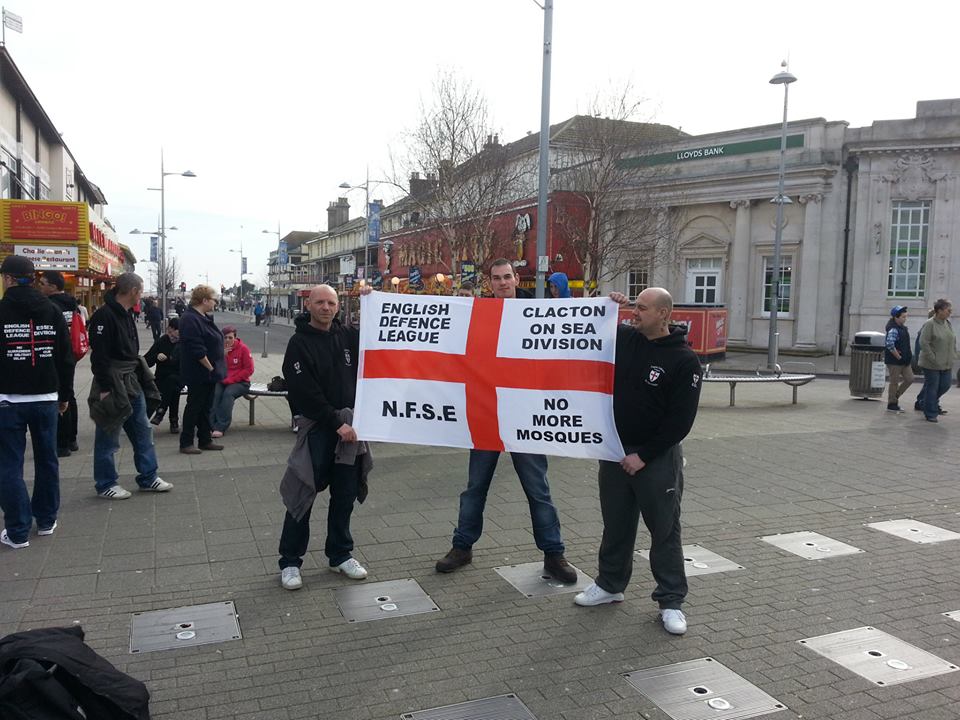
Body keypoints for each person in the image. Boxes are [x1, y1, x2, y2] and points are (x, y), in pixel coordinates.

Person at [435, 258, 577, 583]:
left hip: (525, 415)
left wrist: (613, 306)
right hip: (487, 414)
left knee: (538, 490)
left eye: (507, 277)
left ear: (516, 279)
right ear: (490, 282)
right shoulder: (479, 314)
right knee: (475, 488)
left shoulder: (538, 312)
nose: (502, 283)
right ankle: (462, 547)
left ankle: (554, 554)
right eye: (496, 278)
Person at [574, 287, 702, 637]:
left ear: (663, 314)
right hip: (615, 451)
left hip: (655, 458)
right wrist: (605, 305)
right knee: (615, 523)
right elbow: (582, 327)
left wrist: (643, 456)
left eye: (642, 308)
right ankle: (610, 584)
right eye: (635, 307)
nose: (636, 313)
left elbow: (680, 422)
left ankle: (671, 601)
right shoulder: (627, 340)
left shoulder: (684, 360)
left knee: (664, 529)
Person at [277, 284, 370, 590]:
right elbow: (305, 392)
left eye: (331, 302)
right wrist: (334, 422)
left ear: (338, 306)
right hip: (320, 430)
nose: (326, 308)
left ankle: (340, 554)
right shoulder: (298, 343)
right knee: (303, 494)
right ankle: (290, 561)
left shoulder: (347, 337)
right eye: (320, 302)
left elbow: (379, 342)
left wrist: (371, 300)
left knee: (344, 496)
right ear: (309, 304)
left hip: (350, 430)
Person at [0, 256, 74, 548]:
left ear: (7, 278)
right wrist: (65, 395)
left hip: (8, 399)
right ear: (32, 278)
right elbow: (65, 358)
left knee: (9, 464)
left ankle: (17, 532)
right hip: (46, 397)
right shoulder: (52, 310)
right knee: (47, 459)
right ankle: (45, 520)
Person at [88, 272, 172, 499]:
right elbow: (99, 356)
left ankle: (148, 476)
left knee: (143, 429)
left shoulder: (125, 314)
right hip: (113, 382)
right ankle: (106, 483)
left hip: (131, 380)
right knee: (109, 432)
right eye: (141, 291)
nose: (142, 296)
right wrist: (105, 387)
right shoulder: (104, 316)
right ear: (133, 291)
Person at [36, 270, 81, 457]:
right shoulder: (73, 305)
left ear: (53, 286)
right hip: (71, 351)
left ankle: (61, 443)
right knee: (69, 394)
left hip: (54, 354)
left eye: (42, 283)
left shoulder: (49, 306)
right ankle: (72, 438)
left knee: (58, 397)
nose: (39, 286)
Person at [178, 285, 226, 454]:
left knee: (206, 406)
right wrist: (210, 367)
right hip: (199, 372)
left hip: (209, 373)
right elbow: (196, 348)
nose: (216, 302)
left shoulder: (203, 316)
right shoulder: (190, 319)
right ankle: (186, 442)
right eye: (214, 299)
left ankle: (205, 439)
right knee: (194, 406)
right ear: (204, 300)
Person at [915, 298, 956, 423]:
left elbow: (951, 341)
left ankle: (925, 402)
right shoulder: (930, 324)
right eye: (947, 310)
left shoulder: (947, 323)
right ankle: (931, 413)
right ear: (939, 311)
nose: (950, 312)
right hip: (931, 364)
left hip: (946, 362)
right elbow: (923, 342)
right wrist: (932, 357)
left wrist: (954, 354)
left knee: (945, 385)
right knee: (932, 387)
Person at [211, 325, 254, 437]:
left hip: (240, 382)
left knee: (228, 394)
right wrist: (221, 355)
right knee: (215, 394)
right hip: (223, 380)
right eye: (225, 338)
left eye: (230, 338)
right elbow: (213, 366)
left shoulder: (243, 349)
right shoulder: (219, 349)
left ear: (235, 337)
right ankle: (210, 424)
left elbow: (249, 369)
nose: (228, 340)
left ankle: (221, 426)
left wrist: (232, 379)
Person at [144, 317, 183, 434]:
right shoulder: (162, 341)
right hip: (162, 377)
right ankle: (173, 420)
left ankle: (161, 412)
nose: (171, 336)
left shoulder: (184, 343)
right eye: (169, 332)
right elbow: (146, 360)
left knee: (172, 382)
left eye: (175, 333)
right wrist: (156, 356)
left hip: (180, 376)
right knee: (172, 388)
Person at [884, 306, 913, 413]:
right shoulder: (893, 329)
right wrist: (899, 357)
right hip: (895, 362)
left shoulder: (903, 328)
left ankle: (895, 396)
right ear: (896, 317)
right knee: (894, 382)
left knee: (910, 379)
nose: (905, 319)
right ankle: (892, 404)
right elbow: (890, 345)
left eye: (906, 316)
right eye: (903, 317)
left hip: (905, 361)